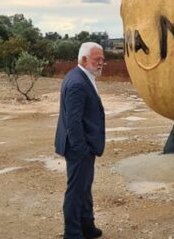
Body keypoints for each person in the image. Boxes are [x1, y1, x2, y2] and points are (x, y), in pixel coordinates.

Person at [55, 42, 106, 239]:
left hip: (84, 146)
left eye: (102, 59)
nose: (101, 63)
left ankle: (87, 226)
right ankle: (73, 233)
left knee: (84, 188)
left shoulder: (83, 76)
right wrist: (82, 148)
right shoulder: (77, 83)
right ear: (84, 59)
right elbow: (73, 122)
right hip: (78, 147)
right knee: (76, 191)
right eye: (97, 59)